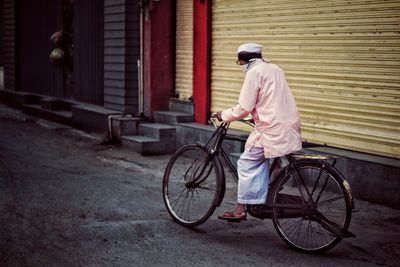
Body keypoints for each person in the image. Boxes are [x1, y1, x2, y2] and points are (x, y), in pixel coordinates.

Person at [216, 43, 302, 221]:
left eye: (240, 63)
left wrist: (223, 115)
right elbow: (270, 98)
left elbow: (244, 107)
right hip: (288, 124)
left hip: (270, 128)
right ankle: (268, 194)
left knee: (246, 163)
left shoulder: (253, 72)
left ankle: (240, 210)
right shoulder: (275, 68)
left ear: (244, 60)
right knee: (271, 162)